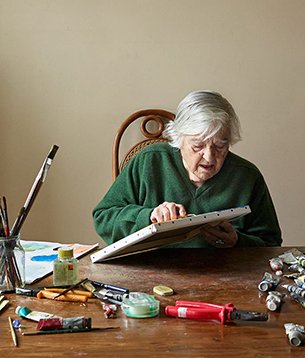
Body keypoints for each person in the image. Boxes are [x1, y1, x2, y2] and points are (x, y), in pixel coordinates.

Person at [93, 90, 281, 248]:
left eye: (220, 146)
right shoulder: (149, 160)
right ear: (178, 138)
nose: (209, 156)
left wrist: (237, 241)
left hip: (222, 278)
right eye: (198, 145)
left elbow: (271, 244)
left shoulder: (247, 176)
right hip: (151, 272)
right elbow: (103, 218)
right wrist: (148, 216)